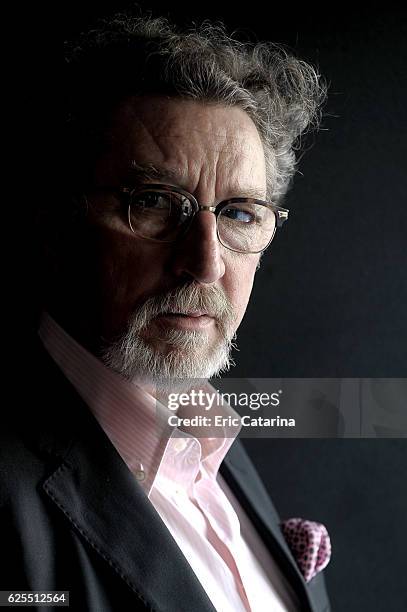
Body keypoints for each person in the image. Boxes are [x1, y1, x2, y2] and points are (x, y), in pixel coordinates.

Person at [0, 10, 331, 612]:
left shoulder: (209, 433)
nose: (204, 264)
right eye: (153, 203)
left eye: (238, 214)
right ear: (56, 218)